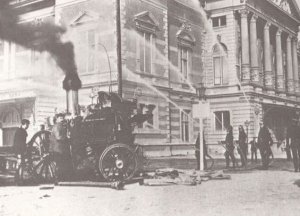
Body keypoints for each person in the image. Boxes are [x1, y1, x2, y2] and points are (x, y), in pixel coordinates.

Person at [49, 113, 72, 181]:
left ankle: (62, 179)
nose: (62, 119)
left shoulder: (62, 126)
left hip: (61, 148)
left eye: (63, 118)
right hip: (58, 149)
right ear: (56, 120)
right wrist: (67, 138)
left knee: (63, 164)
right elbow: (58, 137)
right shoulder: (57, 126)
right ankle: (58, 179)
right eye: (60, 118)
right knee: (60, 164)